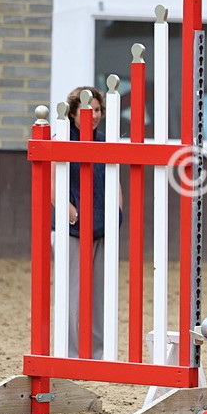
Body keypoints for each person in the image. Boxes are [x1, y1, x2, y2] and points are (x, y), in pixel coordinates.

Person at [51, 86, 123, 359]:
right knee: (72, 296)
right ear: (71, 113)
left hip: (102, 229)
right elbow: (51, 181)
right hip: (71, 229)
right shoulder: (62, 139)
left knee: (100, 295)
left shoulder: (105, 141)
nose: (93, 115)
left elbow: (113, 179)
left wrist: (117, 212)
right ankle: (68, 353)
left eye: (97, 110)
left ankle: (98, 353)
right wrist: (70, 213)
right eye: (87, 110)